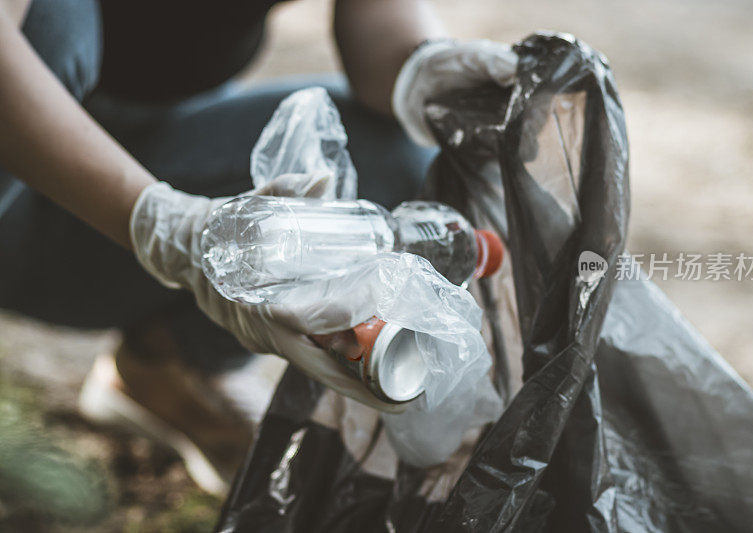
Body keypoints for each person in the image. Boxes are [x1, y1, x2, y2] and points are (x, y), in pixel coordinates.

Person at [0, 0, 517, 494]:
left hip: (129, 165)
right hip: (19, 200)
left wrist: (430, 71)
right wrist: (160, 223)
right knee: (52, 21)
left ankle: (169, 366)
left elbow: (379, 23)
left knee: (396, 160)